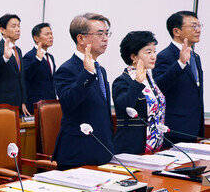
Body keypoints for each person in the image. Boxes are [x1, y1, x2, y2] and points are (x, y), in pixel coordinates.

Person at [53, 13, 114, 169]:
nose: (106, 38)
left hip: (102, 150)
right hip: (78, 154)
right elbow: (68, 103)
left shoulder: (101, 70)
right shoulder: (67, 69)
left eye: (107, 33)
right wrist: (87, 74)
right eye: (100, 34)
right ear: (81, 38)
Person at [112, 31, 166, 155]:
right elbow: (123, 107)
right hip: (131, 149)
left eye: (154, 51)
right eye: (148, 52)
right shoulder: (122, 80)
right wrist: (137, 82)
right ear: (133, 56)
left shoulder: (150, 80)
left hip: (154, 147)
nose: (154, 56)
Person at [154, 11, 203, 143]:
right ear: (176, 31)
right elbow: (159, 86)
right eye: (193, 26)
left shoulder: (195, 57)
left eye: (199, 26)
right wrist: (180, 63)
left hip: (193, 129)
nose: (198, 30)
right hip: (174, 130)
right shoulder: (164, 56)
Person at [0, 13, 28, 115]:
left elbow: (21, 78)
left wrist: (23, 101)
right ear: (2, 30)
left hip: (17, 104)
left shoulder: (18, 50)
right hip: (0, 104)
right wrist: (4, 58)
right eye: (14, 26)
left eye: (19, 26)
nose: (18, 29)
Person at [23, 23, 57, 110]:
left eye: (51, 34)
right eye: (47, 34)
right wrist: (37, 59)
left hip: (51, 103)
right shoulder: (29, 56)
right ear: (36, 38)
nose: (51, 37)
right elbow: (26, 76)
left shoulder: (51, 57)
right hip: (36, 105)